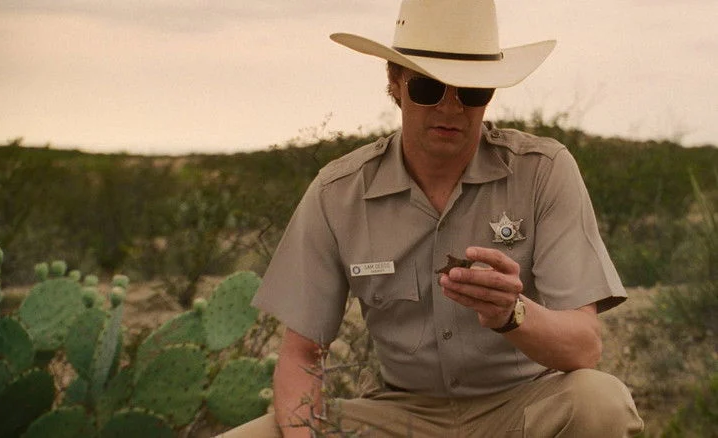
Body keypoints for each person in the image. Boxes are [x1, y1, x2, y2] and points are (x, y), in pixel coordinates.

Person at [220, 0, 644, 436]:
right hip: (399, 417)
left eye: (471, 92)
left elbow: (584, 347)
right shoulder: (338, 192)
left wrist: (511, 313)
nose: (450, 108)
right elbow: (303, 353)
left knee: (600, 401)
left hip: (521, 409)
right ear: (395, 82)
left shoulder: (542, 172)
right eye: (428, 88)